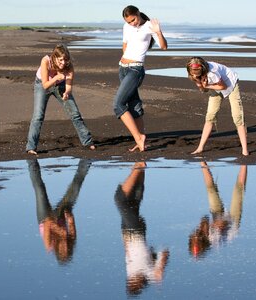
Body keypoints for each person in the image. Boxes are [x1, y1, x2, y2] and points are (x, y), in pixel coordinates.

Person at [113, 5, 168, 152]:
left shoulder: (150, 26)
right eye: (129, 21)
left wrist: (158, 32)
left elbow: (164, 47)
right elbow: (125, 45)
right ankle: (141, 140)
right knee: (134, 104)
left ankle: (138, 137)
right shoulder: (126, 27)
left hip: (135, 70)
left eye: (133, 19)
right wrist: (125, 59)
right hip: (123, 69)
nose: (132, 23)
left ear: (138, 14)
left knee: (118, 105)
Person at [26, 44, 95, 155]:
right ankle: (31, 147)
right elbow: (45, 85)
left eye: (66, 60)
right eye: (60, 60)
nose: (63, 63)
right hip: (42, 84)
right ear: (54, 57)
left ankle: (87, 142)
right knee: (38, 116)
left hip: (61, 85)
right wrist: (56, 77)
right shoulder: (46, 61)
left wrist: (67, 93)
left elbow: (69, 86)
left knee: (75, 113)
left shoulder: (69, 66)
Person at [114, 162, 170, 296]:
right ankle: (138, 167)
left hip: (127, 233)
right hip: (136, 234)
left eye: (129, 282)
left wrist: (124, 238)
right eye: (133, 283)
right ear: (139, 285)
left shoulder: (131, 272)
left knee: (133, 201)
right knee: (120, 200)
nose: (131, 280)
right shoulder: (149, 274)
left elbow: (128, 255)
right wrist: (160, 270)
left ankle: (140, 167)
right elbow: (165, 252)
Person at [27, 158, 92, 264]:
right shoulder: (72, 240)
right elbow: (71, 221)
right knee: (75, 188)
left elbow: (48, 222)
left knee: (39, 188)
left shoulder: (49, 245)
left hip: (44, 218)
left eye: (62, 250)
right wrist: (69, 217)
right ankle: (87, 160)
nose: (65, 246)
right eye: (68, 249)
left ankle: (31, 161)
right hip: (60, 217)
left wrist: (60, 231)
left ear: (57, 251)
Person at [186, 56, 249, 156]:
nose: (194, 75)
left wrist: (206, 85)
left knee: (237, 116)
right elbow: (204, 90)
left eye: (196, 74)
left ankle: (245, 150)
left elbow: (223, 86)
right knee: (210, 115)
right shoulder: (192, 73)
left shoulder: (212, 73)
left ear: (202, 69)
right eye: (193, 73)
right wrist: (200, 84)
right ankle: (200, 148)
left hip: (230, 84)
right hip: (215, 87)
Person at [189, 162, 247, 259]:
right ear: (202, 242)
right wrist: (208, 226)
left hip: (217, 218)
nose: (196, 236)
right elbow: (222, 223)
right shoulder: (214, 238)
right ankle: (245, 163)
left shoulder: (198, 233)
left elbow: (205, 218)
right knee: (238, 191)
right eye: (197, 240)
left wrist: (204, 226)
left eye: (194, 238)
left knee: (211, 190)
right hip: (232, 223)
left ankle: (202, 162)